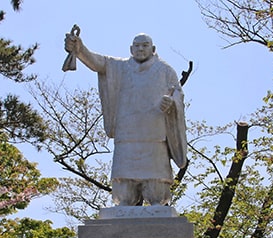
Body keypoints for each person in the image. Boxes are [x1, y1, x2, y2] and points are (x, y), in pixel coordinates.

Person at [64, 31, 187, 206]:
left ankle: (157, 203)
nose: (140, 49)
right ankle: (124, 202)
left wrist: (171, 103)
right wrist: (80, 49)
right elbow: (98, 62)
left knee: (156, 191)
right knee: (124, 192)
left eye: (145, 45)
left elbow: (177, 95)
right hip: (126, 136)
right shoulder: (119, 67)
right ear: (131, 49)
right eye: (137, 46)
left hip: (154, 137)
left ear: (153, 49)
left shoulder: (165, 71)